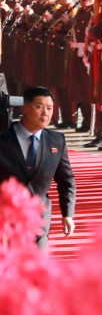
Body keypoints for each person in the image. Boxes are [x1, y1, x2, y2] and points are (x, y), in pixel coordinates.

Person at [0, 86, 75, 248]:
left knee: (36, 269)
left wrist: (67, 214)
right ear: (25, 108)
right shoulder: (4, 139)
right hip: (5, 220)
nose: (45, 113)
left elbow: (66, 179)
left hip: (39, 220)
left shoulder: (57, 140)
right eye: (39, 107)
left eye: (49, 108)